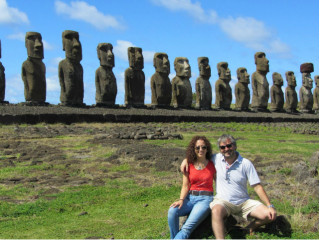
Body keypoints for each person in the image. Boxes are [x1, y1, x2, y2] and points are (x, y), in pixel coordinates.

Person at [181, 134, 277, 239]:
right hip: (223, 201)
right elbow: (199, 155)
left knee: (269, 215)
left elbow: (257, 186)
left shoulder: (246, 163)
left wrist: (269, 205)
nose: (226, 149)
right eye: (223, 147)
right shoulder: (216, 159)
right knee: (216, 211)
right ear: (220, 149)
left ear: (235, 146)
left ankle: (250, 227)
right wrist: (186, 160)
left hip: (244, 202)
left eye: (229, 146)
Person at [168, 136, 216, 239]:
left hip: (205, 200)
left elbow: (218, 182)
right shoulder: (188, 164)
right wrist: (181, 200)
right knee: (172, 211)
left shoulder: (213, 164)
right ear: (193, 150)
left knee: (186, 229)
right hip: (190, 197)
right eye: (197, 148)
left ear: (207, 149)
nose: (201, 150)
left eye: (204, 147)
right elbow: (185, 186)